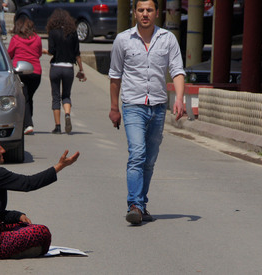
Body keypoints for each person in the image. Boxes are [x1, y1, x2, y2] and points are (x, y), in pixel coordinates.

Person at [108, 0, 185, 225]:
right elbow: (115, 76)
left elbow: (177, 71)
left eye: (149, 10)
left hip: (159, 106)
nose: (145, 14)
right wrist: (114, 108)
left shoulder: (168, 39)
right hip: (133, 106)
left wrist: (179, 99)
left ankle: (141, 205)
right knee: (137, 154)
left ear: (156, 13)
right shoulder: (122, 40)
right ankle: (134, 205)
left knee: (149, 161)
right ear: (134, 13)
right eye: (140, 10)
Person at [0, 134, 80, 258]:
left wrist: (17, 215)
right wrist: (60, 166)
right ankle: (22, 251)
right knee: (43, 232)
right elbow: (29, 183)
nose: (3, 150)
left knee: (24, 226)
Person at [45, 9, 87, 135]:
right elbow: (77, 54)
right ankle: (67, 114)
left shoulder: (53, 33)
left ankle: (57, 127)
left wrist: (45, 52)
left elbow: (51, 51)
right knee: (66, 95)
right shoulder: (73, 33)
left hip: (56, 67)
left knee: (56, 97)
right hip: (69, 68)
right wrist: (81, 70)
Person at [8, 17, 43, 135]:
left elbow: (9, 54)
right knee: (28, 97)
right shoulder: (37, 39)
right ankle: (27, 121)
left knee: (25, 98)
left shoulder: (15, 39)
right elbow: (38, 54)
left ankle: (28, 124)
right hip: (36, 73)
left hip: (21, 71)